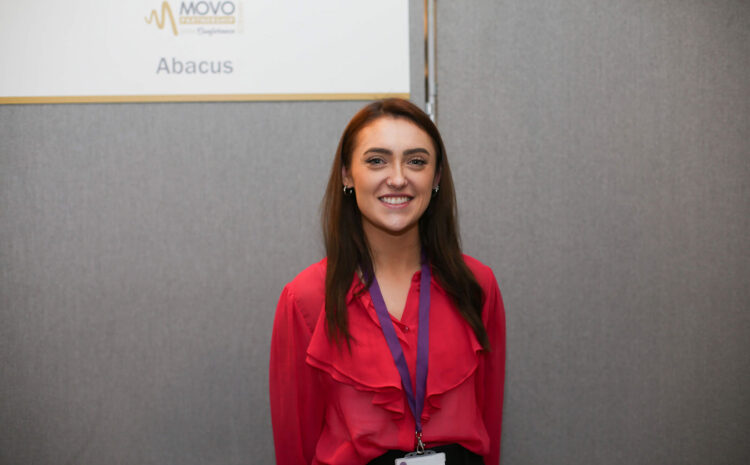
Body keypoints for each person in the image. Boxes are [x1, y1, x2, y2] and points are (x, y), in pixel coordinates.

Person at [269, 99, 505, 465]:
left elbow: (489, 418)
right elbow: (295, 443)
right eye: (377, 160)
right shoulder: (306, 297)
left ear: (436, 178)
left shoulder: (477, 285)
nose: (397, 178)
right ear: (347, 175)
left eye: (416, 161)